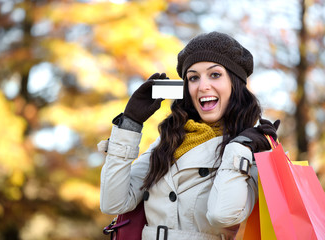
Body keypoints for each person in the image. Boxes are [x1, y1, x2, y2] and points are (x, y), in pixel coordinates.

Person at [98, 31, 280, 240]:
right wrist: (130, 124)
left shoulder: (252, 147)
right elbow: (113, 202)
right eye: (193, 77)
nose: (203, 86)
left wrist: (238, 148)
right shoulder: (168, 141)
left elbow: (223, 216)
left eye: (215, 74)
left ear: (235, 83)